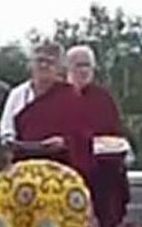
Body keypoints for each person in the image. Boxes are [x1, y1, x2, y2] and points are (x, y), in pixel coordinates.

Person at [67, 45, 130, 227]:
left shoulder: (103, 98)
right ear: (68, 68)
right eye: (77, 65)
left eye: (87, 65)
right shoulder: (61, 97)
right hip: (69, 171)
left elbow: (114, 130)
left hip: (102, 171)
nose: (82, 71)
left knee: (105, 218)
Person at [10, 43, 94, 180]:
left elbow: (84, 137)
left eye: (49, 62)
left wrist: (64, 142)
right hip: (25, 172)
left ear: (59, 67)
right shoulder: (18, 95)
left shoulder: (71, 96)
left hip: (61, 174)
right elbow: (7, 131)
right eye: (39, 61)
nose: (44, 66)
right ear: (31, 64)